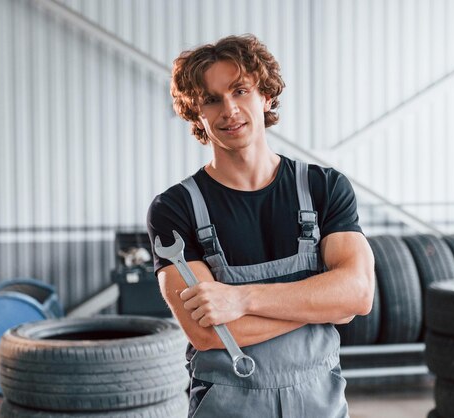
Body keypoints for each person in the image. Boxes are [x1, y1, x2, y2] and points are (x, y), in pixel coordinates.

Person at [147, 34, 375, 418]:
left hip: (320, 403)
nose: (229, 109)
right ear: (195, 114)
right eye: (211, 99)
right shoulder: (174, 209)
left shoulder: (323, 188)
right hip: (227, 405)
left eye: (240, 90)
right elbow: (206, 333)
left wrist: (241, 300)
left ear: (265, 95)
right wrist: (323, 303)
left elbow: (358, 295)